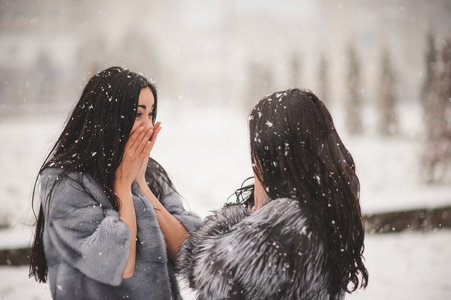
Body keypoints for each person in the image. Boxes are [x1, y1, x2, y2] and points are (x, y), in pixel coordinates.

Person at [177, 89, 369, 299]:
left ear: (271, 153)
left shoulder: (282, 228)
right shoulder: (325, 211)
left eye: (256, 148)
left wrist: (255, 208)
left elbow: (210, 272)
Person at [29, 66, 201, 299]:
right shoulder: (67, 184)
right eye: (138, 114)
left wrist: (141, 184)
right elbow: (119, 265)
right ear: (109, 118)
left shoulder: (151, 175)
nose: (148, 126)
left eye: (151, 114)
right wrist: (123, 184)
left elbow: (189, 255)